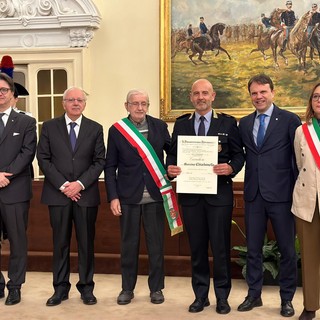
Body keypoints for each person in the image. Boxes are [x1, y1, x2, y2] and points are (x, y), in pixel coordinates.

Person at [166, 79, 245, 314]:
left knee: (220, 248)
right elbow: (172, 156)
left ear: (213, 96)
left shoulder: (228, 123)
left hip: (219, 196)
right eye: (196, 94)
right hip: (190, 197)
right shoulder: (181, 125)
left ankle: (222, 296)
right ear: (191, 97)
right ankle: (200, 296)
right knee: (197, 249)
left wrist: (231, 168)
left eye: (205, 93)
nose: (200, 97)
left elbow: (239, 155)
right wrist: (170, 169)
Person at [237, 74, 301, 317]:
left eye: (263, 92)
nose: (258, 97)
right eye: (254, 93)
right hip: (254, 196)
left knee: (287, 250)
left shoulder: (289, 120)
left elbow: (298, 157)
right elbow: (240, 156)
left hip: (283, 195)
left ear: (272, 92)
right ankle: (254, 295)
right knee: (253, 249)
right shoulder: (243, 123)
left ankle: (286, 299)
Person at [37, 87, 105, 307]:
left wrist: (80, 184)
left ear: (85, 104)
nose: (76, 103)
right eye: (71, 100)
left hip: (86, 195)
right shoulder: (49, 127)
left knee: (86, 244)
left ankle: (86, 288)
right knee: (60, 244)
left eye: (80, 100)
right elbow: (43, 159)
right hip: (58, 195)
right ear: (63, 103)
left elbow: (99, 161)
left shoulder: (95, 128)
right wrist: (65, 185)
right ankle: (60, 288)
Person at [105, 89, 171, 305]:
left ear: (148, 106)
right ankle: (127, 289)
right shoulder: (117, 130)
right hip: (128, 198)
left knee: (156, 246)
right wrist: (113, 197)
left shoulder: (159, 126)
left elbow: (172, 152)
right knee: (128, 246)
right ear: (127, 106)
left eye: (144, 103)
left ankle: (156, 289)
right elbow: (110, 166)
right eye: (135, 104)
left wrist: (175, 167)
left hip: (155, 196)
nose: (140, 107)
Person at [0, 72, 37, 305]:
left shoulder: (26, 121)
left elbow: (27, 152)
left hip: (15, 189)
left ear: (13, 94)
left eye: (4, 90)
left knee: (17, 240)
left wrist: (6, 175)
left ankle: (15, 286)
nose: (0, 94)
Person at [292, 83, 320, 320]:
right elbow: (300, 165)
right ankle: (310, 305)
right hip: (308, 200)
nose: (319, 100)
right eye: (316, 96)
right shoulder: (302, 131)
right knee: (309, 257)